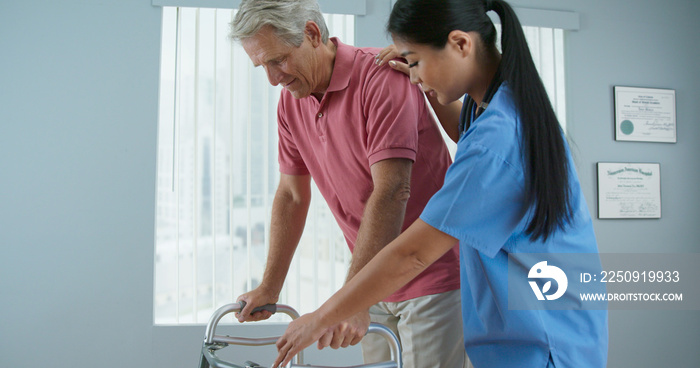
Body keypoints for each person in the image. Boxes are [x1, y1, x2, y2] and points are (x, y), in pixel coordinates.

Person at [272, 0, 609, 367]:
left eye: (415, 61)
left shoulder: (498, 142)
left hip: (542, 341)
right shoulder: (495, 106)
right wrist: (425, 82)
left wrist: (323, 316)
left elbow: (413, 253)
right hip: (531, 331)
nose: (413, 77)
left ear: (461, 44)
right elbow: (464, 133)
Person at [228, 1, 471, 367]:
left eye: (277, 60)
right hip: (372, 276)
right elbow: (292, 196)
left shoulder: (381, 77)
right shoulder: (291, 103)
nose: (273, 78)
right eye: (262, 66)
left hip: (430, 274)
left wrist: (353, 298)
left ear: (312, 33)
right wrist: (270, 286)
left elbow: (391, 191)